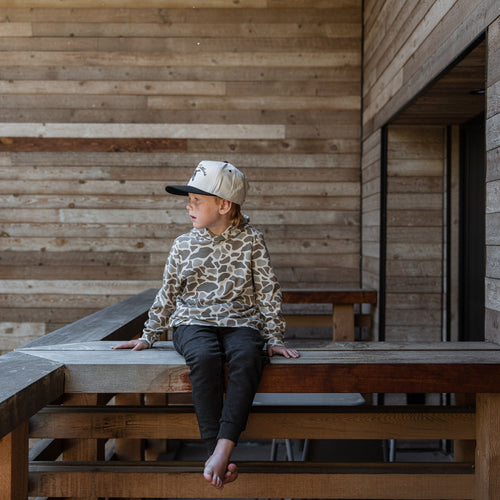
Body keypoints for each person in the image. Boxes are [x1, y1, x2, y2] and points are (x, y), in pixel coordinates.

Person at [112, 160, 299, 489]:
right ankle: (216, 450)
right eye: (189, 201)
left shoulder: (252, 241)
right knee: (205, 357)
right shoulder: (183, 245)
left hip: (241, 322)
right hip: (193, 322)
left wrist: (274, 338)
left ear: (224, 205)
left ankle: (222, 449)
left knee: (248, 356)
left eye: (197, 201)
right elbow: (168, 293)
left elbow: (268, 291)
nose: (189, 207)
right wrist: (149, 335)